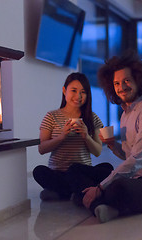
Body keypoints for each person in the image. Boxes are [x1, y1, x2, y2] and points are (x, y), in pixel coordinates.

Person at [81, 51, 142, 223]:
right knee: (88, 176)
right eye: (116, 83)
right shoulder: (125, 113)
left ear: (138, 80)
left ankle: (97, 203)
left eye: (126, 81)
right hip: (136, 178)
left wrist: (101, 187)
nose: (121, 87)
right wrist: (112, 145)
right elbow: (128, 154)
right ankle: (105, 206)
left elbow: (137, 159)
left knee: (116, 187)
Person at [33, 72, 113, 203]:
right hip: (58, 173)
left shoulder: (92, 118)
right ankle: (78, 192)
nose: (78, 96)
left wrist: (86, 136)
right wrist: (62, 136)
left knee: (107, 168)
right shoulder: (51, 116)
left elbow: (98, 151)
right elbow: (42, 148)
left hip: (81, 172)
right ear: (64, 91)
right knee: (39, 171)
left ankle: (61, 193)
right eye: (74, 91)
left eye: (83, 92)